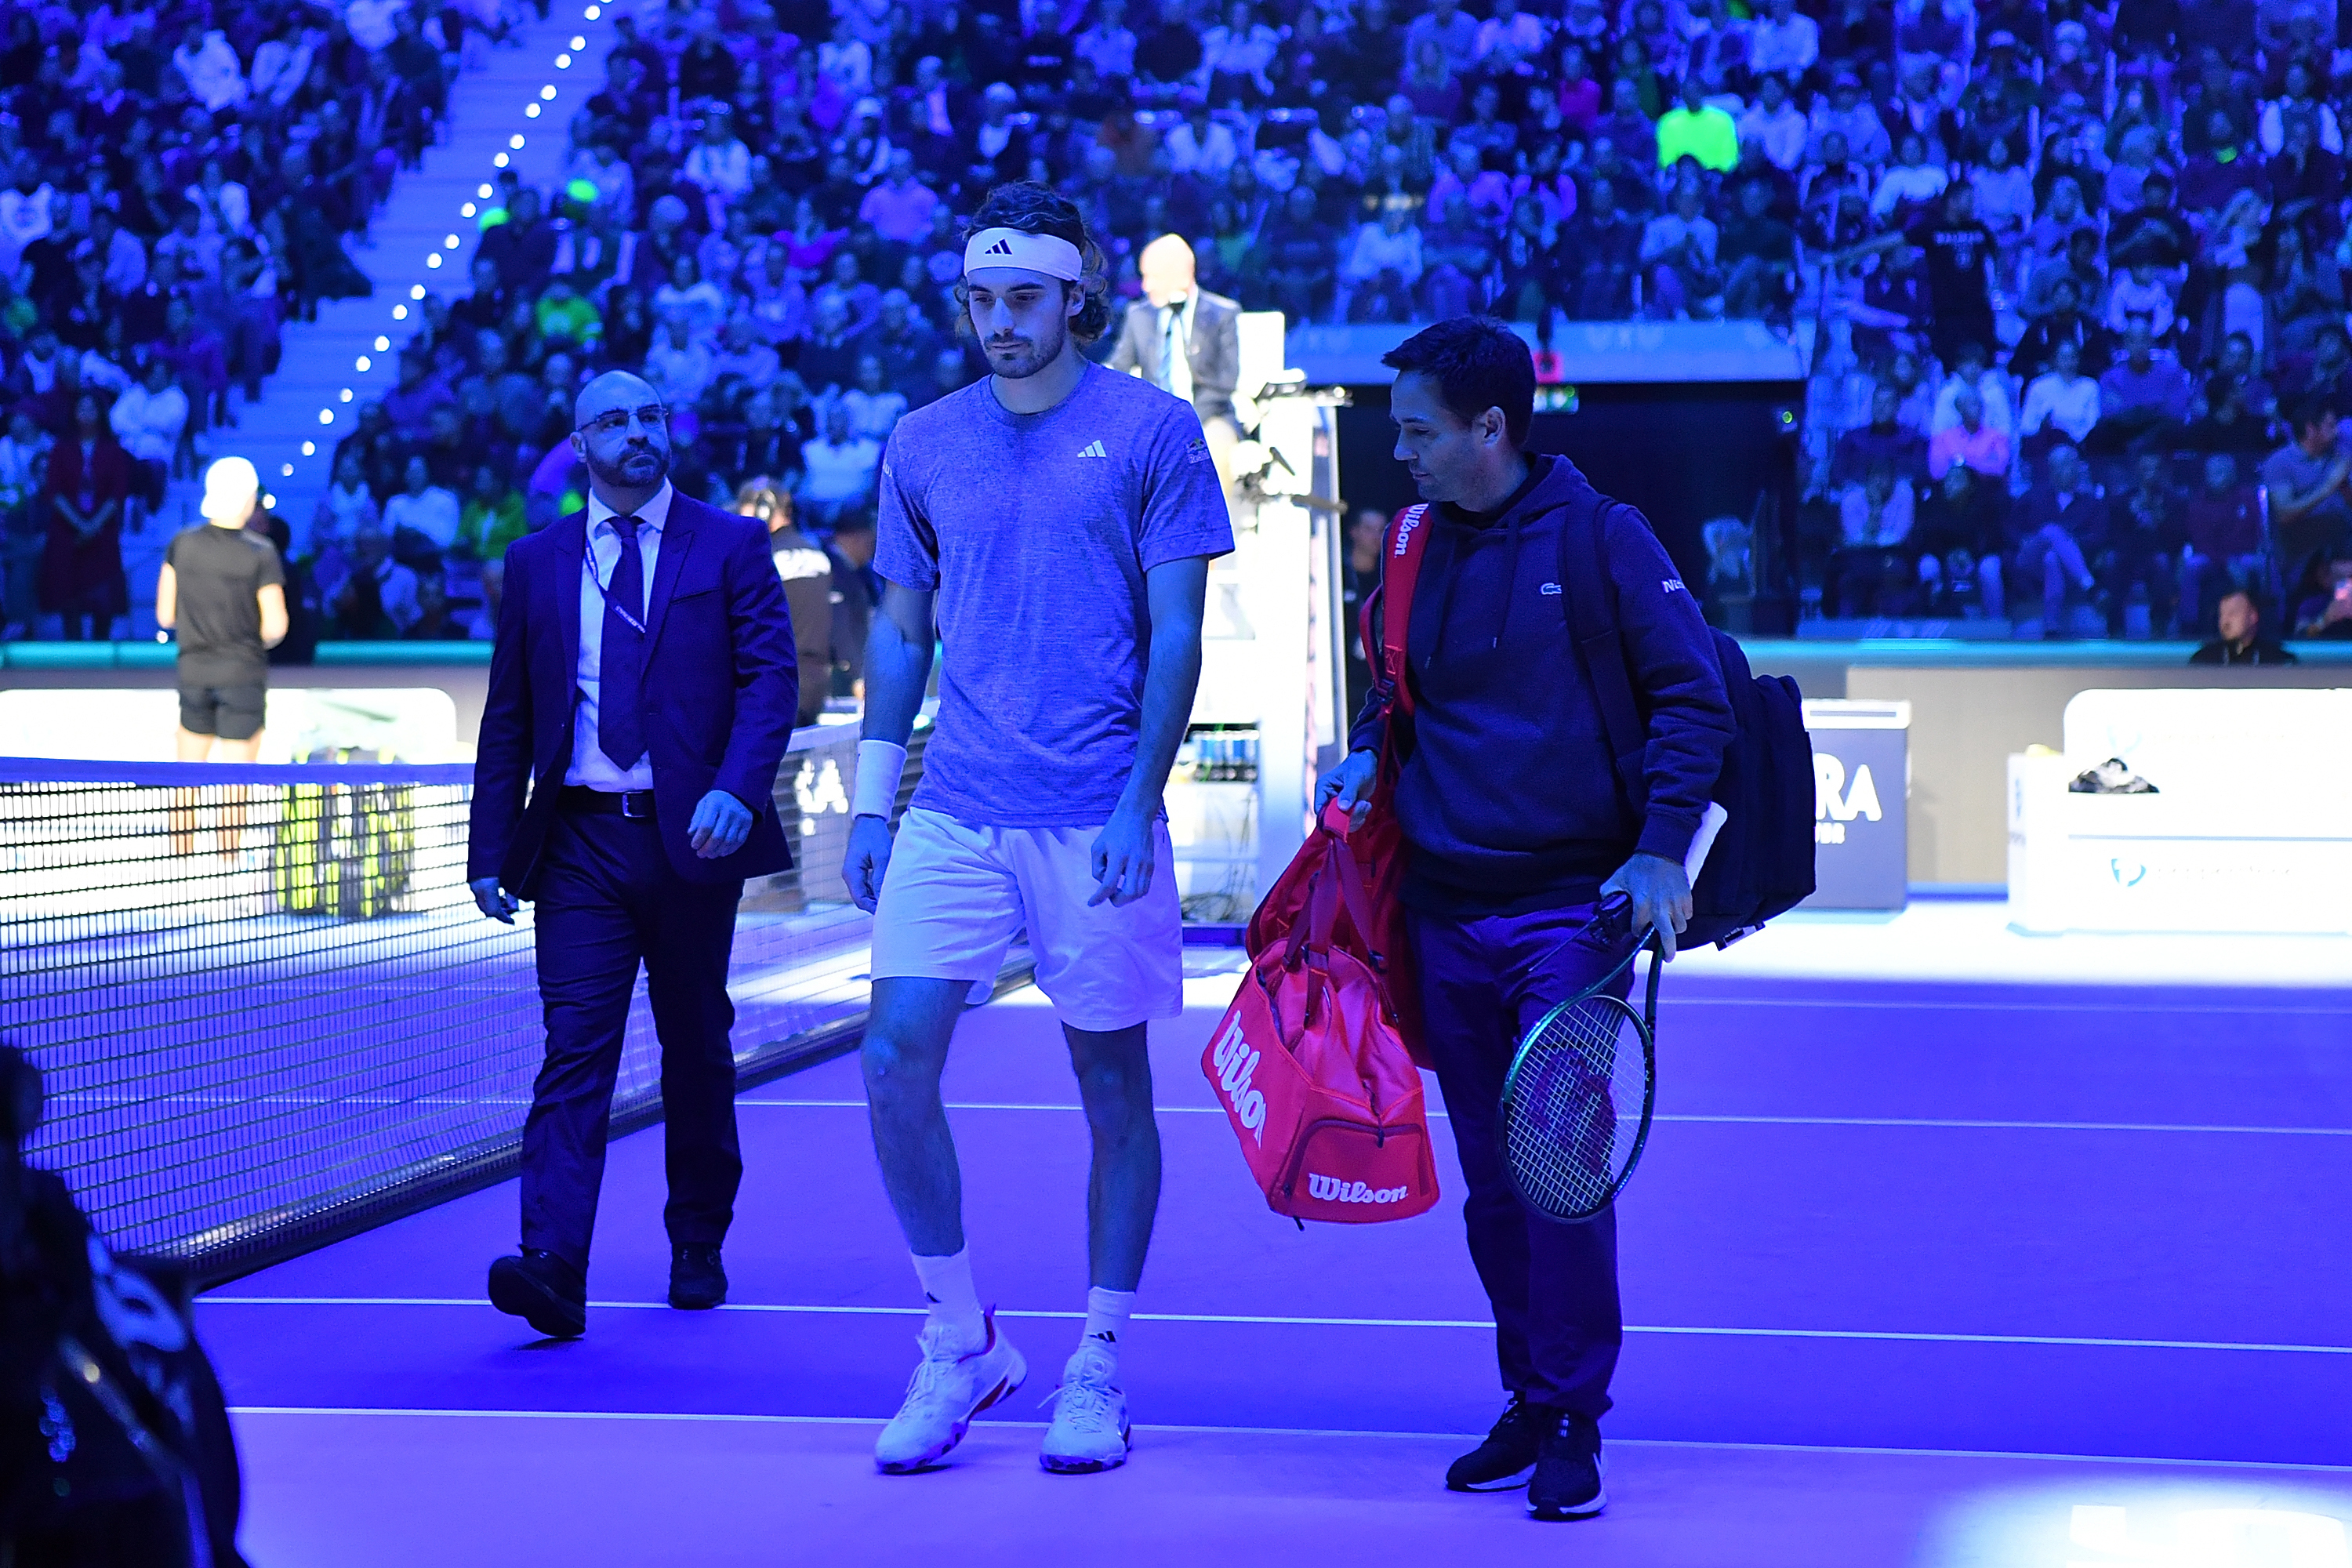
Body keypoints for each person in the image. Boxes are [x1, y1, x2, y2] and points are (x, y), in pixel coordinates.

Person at [1318, 317, 1733, 1523]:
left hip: (1572, 913)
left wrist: (1661, 852)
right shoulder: (1405, 545)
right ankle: (1525, 1391)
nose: (1398, 452)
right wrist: (1361, 760)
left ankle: (1573, 1419)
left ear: (1489, 427)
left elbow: (1692, 702)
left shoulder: (1605, 537)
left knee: (1561, 1171)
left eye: (1414, 431)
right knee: (1494, 1187)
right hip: (1443, 914)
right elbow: (1396, 699)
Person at [844, 183, 1231, 1478]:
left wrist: (1138, 798)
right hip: (953, 808)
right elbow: (900, 634)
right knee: (893, 1057)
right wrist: (868, 796)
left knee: (1111, 1090)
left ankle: (1100, 1361)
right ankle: (961, 1342)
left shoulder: (1155, 431)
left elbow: (1177, 635)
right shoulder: (923, 441)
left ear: (1076, 296)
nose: (998, 322)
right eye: (979, 299)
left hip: (1095, 820)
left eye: (1023, 298)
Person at [466, 370, 800, 1340]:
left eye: (651, 416)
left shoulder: (731, 541)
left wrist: (738, 789)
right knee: (575, 1050)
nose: (637, 433)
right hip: (575, 843)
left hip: (693, 837)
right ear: (581, 445)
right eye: (613, 421)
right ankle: (553, 1264)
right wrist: (490, 846)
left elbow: (769, 678)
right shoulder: (535, 562)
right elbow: (510, 715)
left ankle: (697, 1238)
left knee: (696, 1043)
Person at [156, 457, 288, 761]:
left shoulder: (182, 544)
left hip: (194, 673)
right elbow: (275, 627)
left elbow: (166, 615)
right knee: (233, 793)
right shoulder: (262, 553)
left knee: (186, 784)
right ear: (249, 498)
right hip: (242, 674)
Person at [1105, 233, 1243, 474]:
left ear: (1181, 275)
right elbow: (1119, 368)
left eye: (1153, 277)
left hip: (1210, 418)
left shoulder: (1222, 314)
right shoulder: (1138, 315)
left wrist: (1184, 422)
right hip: (1154, 422)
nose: (1145, 286)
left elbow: (1225, 381)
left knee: (1204, 453)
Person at [2263, 398, 2352, 582]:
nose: (2337, 431)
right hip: (2303, 552)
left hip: (2342, 543)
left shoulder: (2340, 455)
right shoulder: (2279, 463)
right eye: (2330, 426)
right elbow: (2285, 513)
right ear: (2311, 429)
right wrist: (2329, 486)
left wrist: (2344, 486)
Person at [2189, 589, 2299, 664]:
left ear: (2252, 617)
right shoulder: (2203, 660)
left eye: (2232, 613)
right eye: (2222, 615)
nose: (2225, 621)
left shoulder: (2278, 660)